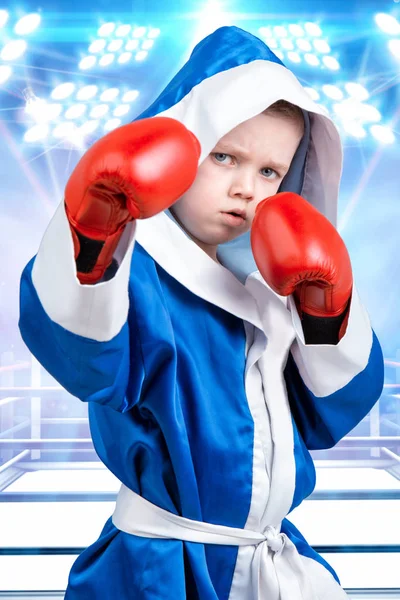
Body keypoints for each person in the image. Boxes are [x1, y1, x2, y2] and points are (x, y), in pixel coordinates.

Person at [18, 25, 384, 599]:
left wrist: (323, 310)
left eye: (269, 172)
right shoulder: (130, 276)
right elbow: (82, 357)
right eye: (225, 157)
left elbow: (329, 414)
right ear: (177, 147)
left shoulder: (278, 287)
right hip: (161, 565)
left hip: (266, 557)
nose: (247, 190)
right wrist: (96, 234)